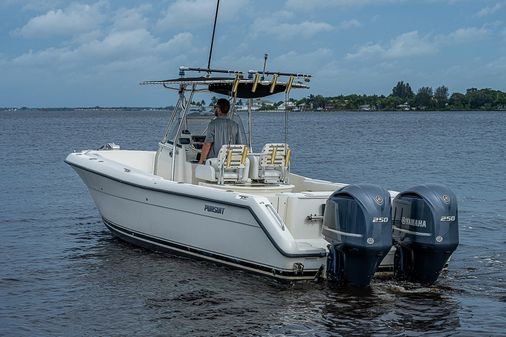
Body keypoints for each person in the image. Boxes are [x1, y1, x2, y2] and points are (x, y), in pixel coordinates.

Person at [198, 98, 245, 164]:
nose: (215, 109)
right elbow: (240, 145)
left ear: (219, 109)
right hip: (229, 163)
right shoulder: (235, 125)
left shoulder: (212, 124)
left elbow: (207, 145)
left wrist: (201, 161)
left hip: (215, 162)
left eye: (216, 107)